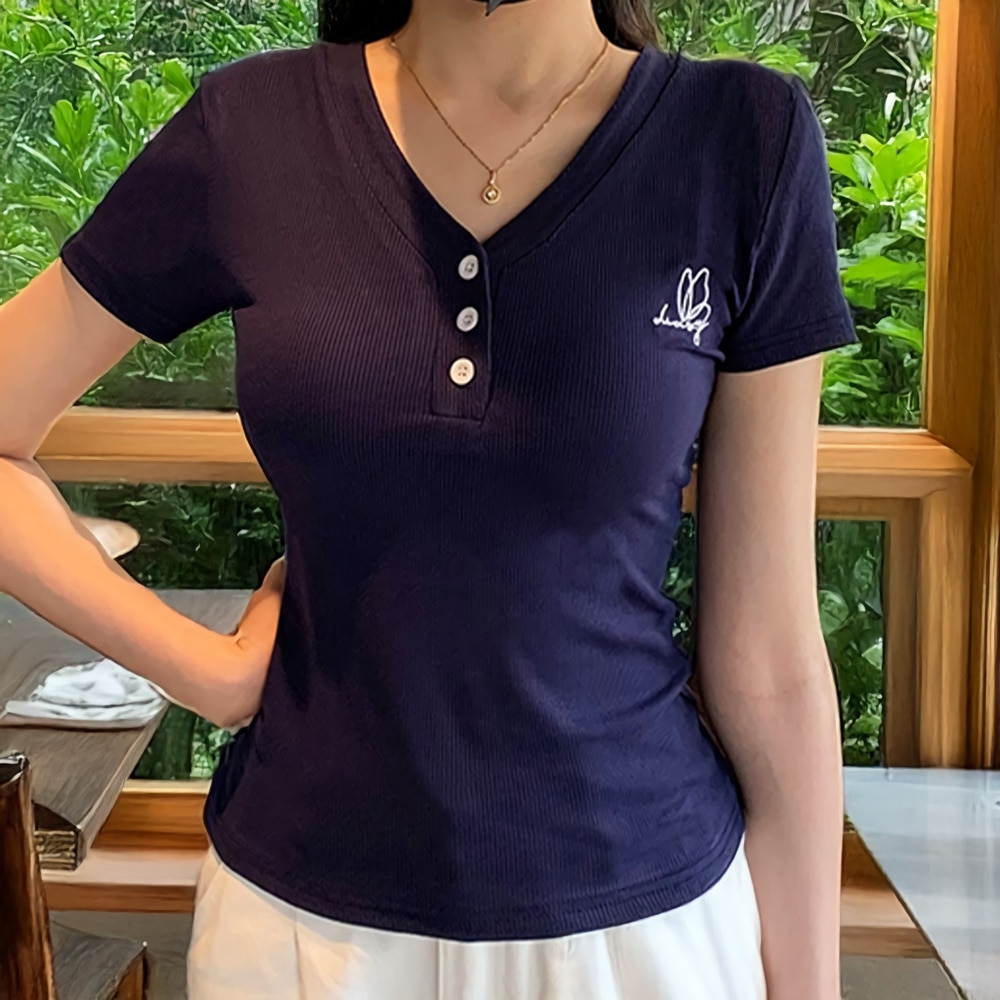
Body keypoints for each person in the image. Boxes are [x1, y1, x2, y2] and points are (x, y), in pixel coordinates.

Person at [0, 0, 859, 996]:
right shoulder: (254, 129)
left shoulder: (741, 139)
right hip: (301, 936)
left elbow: (770, 660)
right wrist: (204, 672)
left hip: (642, 935)